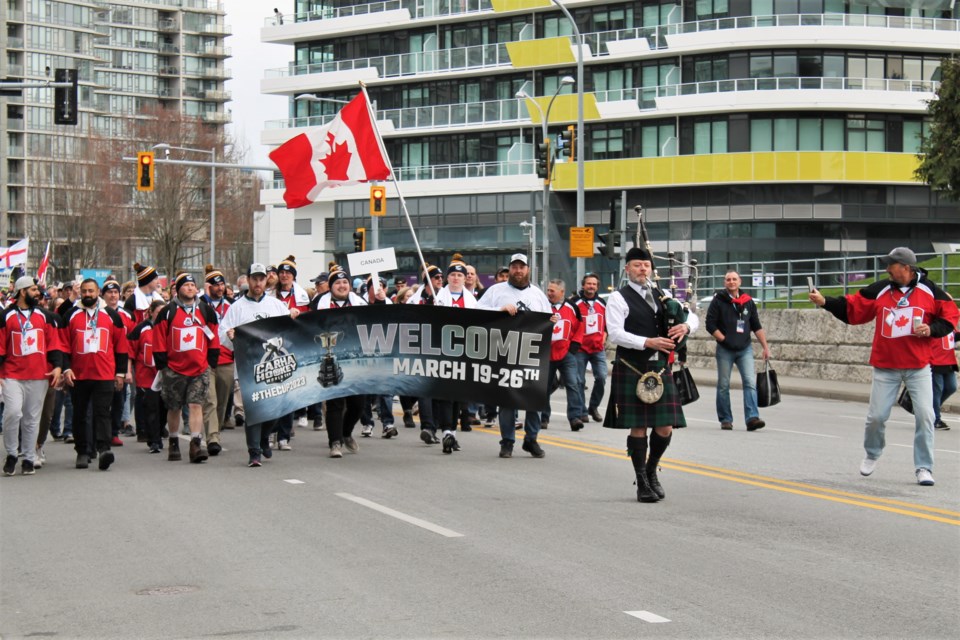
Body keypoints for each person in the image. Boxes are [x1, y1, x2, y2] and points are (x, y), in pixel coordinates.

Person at [809, 247, 958, 486]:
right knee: (876, 417)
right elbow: (852, 308)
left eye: (891, 265)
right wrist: (825, 301)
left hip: (918, 366)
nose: (887, 269)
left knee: (926, 415)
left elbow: (950, 317)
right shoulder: (880, 290)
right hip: (885, 366)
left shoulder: (930, 291)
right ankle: (872, 453)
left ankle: (924, 467)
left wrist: (931, 330)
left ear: (906, 268)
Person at [604, 248, 697, 502]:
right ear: (627, 269)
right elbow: (615, 333)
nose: (642, 269)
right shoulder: (618, 299)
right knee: (639, 426)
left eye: (646, 265)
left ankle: (651, 469)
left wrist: (686, 326)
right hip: (633, 367)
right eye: (637, 265)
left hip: (661, 368)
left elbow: (694, 317)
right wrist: (648, 342)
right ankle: (642, 482)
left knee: (665, 427)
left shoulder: (664, 294)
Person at [477, 253, 551, 459]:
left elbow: (549, 319)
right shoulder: (495, 291)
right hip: (505, 353)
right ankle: (507, 441)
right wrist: (498, 310)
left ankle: (531, 440)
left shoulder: (537, 294)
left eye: (522, 267)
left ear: (528, 270)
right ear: (509, 269)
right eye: (515, 267)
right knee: (507, 399)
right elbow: (476, 311)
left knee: (534, 400)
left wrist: (552, 320)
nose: (518, 271)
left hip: (532, 354)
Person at [219, 263, 291, 467]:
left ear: (265, 281)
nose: (258, 282)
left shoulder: (276, 305)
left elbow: (288, 330)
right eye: (254, 278)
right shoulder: (237, 307)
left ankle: (263, 437)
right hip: (248, 365)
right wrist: (230, 335)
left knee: (276, 409)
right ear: (248, 280)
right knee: (253, 409)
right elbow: (223, 332)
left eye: (261, 279)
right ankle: (254, 452)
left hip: (273, 365)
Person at [153, 272, 221, 464]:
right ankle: (173, 441)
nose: (190, 288)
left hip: (199, 368)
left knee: (195, 404)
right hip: (174, 369)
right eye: (186, 285)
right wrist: (162, 366)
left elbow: (213, 336)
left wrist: (211, 362)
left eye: (192, 285)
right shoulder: (168, 311)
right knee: (174, 407)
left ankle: (195, 443)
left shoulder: (206, 311)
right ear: (178, 289)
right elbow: (158, 339)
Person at [62, 279, 129, 471]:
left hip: (104, 374)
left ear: (98, 291)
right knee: (80, 414)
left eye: (91, 291)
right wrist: (66, 368)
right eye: (84, 291)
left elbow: (121, 347)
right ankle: (82, 451)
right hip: (79, 375)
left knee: (102, 413)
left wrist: (120, 373)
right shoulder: (71, 315)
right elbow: (63, 345)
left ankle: (104, 449)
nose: (88, 294)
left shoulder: (112, 316)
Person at [0, 276, 64, 476]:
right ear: (22, 291)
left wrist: (58, 366)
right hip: (12, 374)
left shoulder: (46, 317)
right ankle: (11, 454)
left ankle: (28, 457)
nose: (38, 293)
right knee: (13, 413)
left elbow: (54, 344)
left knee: (31, 419)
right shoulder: (6, 316)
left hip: (38, 375)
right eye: (34, 289)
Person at [309, 265, 367, 458]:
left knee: (358, 404)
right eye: (337, 283)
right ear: (331, 286)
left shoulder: (360, 303)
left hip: (355, 361)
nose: (342, 286)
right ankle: (335, 442)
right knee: (335, 403)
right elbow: (307, 325)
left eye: (345, 282)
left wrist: (382, 298)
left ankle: (346, 432)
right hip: (330, 358)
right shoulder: (319, 303)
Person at [705, 270, 771, 431]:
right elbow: (710, 324)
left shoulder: (748, 302)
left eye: (734, 279)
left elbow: (756, 326)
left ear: (740, 282)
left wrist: (765, 347)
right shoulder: (718, 301)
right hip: (725, 350)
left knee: (750, 383)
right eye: (728, 279)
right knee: (723, 385)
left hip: (745, 349)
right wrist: (724, 339)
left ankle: (752, 418)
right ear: (724, 283)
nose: (731, 282)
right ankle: (726, 419)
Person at [542, 279, 584, 430]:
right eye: (548, 290)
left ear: (562, 292)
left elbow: (580, 326)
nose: (549, 293)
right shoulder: (543, 306)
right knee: (544, 387)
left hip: (566, 353)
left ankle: (575, 418)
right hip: (547, 354)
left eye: (552, 291)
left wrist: (574, 346)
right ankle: (543, 417)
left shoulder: (572, 307)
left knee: (573, 384)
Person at [200, 264, 234, 455]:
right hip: (205, 359)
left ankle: (216, 429)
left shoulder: (231, 306)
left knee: (222, 400)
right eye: (215, 285)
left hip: (226, 358)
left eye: (222, 284)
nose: (220, 288)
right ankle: (212, 437)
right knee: (210, 399)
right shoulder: (199, 305)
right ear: (208, 287)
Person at [127, 300, 167, 454]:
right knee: (151, 408)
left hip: (164, 375)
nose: (161, 316)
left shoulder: (168, 327)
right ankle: (154, 440)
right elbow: (130, 349)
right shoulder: (141, 329)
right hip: (146, 376)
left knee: (164, 408)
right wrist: (128, 371)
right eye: (158, 312)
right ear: (151, 312)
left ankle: (159, 430)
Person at [569, 272, 607, 423]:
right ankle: (582, 410)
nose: (591, 286)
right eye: (588, 284)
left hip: (598, 348)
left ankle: (593, 407)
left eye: (594, 284)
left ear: (597, 287)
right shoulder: (574, 303)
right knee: (579, 381)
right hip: (580, 349)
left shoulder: (602, 303)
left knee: (602, 377)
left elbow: (608, 324)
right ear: (583, 285)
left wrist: (604, 337)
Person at [931, 323, 957, 431]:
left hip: (948, 361)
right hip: (935, 361)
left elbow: (954, 335)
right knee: (938, 390)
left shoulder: (949, 323)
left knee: (952, 387)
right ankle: (936, 420)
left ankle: (931, 410)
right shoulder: (934, 323)